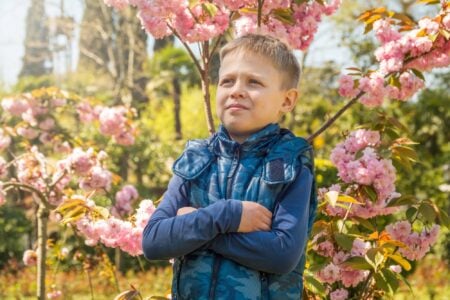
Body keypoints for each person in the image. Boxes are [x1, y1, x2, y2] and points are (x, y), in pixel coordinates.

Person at [142, 33, 317, 300]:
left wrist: (197, 227)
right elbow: (154, 241)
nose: (236, 90)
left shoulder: (289, 167)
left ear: (287, 100)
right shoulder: (196, 161)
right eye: (226, 81)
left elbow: (282, 254)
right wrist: (226, 215)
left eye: (254, 81)